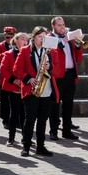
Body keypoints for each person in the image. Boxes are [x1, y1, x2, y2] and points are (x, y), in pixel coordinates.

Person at [14, 26, 61, 158]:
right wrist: (28, 79)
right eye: (40, 37)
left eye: (44, 37)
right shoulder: (24, 51)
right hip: (31, 90)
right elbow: (16, 69)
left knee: (42, 120)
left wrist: (50, 66)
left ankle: (40, 147)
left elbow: (58, 71)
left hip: (47, 91)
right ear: (33, 37)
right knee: (30, 119)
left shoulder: (52, 52)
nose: (42, 40)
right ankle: (26, 147)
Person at [49, 16, 82, 141]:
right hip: (57, 75)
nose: (62, 27)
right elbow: (52, 53)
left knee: (68, 104)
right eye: (59, 25)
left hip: (70, 74)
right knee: (55, 104)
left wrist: (78, 46)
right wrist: (64, 41)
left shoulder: (69, 39)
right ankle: (53, 131)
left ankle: (67, 131)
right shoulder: (49, 38)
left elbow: (77, 59)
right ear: (53, 26)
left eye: (63, 25)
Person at [0, 32, 27, 145]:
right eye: (22, 39)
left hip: (25, 86)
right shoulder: (9, 53)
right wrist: (14, 80)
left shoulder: (28, 53)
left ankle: (25, 138)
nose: (25, 41)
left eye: (26, 39)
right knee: (14, 112)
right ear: (15, 41)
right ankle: (11, 138)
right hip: (13, 87)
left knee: (25, 113)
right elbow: (2, 70)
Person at [0, 26, 16, 129]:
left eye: (11, 37)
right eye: (7, 37)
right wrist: (7, 53)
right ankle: (5, 119)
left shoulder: (19, 45)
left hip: (16, 76)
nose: (9, 39)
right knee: (5, 100)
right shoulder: (0, 45)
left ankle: (17, 120)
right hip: (5, 77)